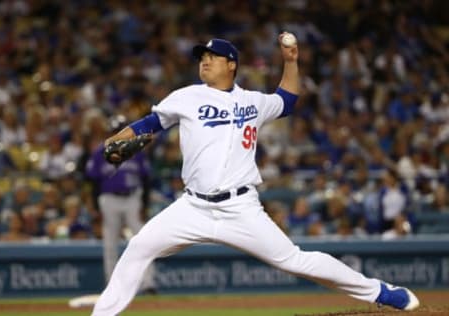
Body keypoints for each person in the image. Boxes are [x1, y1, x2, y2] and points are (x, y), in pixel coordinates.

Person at [91, 34, 419, 316]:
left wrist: (290, 62)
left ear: (231, 64)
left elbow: (287, 101)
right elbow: (148, 125)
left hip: (240, 208)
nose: (204, 61)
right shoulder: (186, 97)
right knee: (138, 248)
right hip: (191, 208)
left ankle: (381, 291)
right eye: (202, 57)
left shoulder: (253, 101)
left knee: (294, 260)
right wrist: (118, 139)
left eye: (212, 57)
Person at [85, 114, 156, 292]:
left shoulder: (137, 151)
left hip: (133, 198)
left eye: (121, 129)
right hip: (109, 200)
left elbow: (146, 179)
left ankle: (148, 283)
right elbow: (93, 182)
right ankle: (112, 285)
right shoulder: (100, 152)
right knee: (110, 244)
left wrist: (144, 205)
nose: (117, 133)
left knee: (143, 242)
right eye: (114, 130)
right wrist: (95, 207)